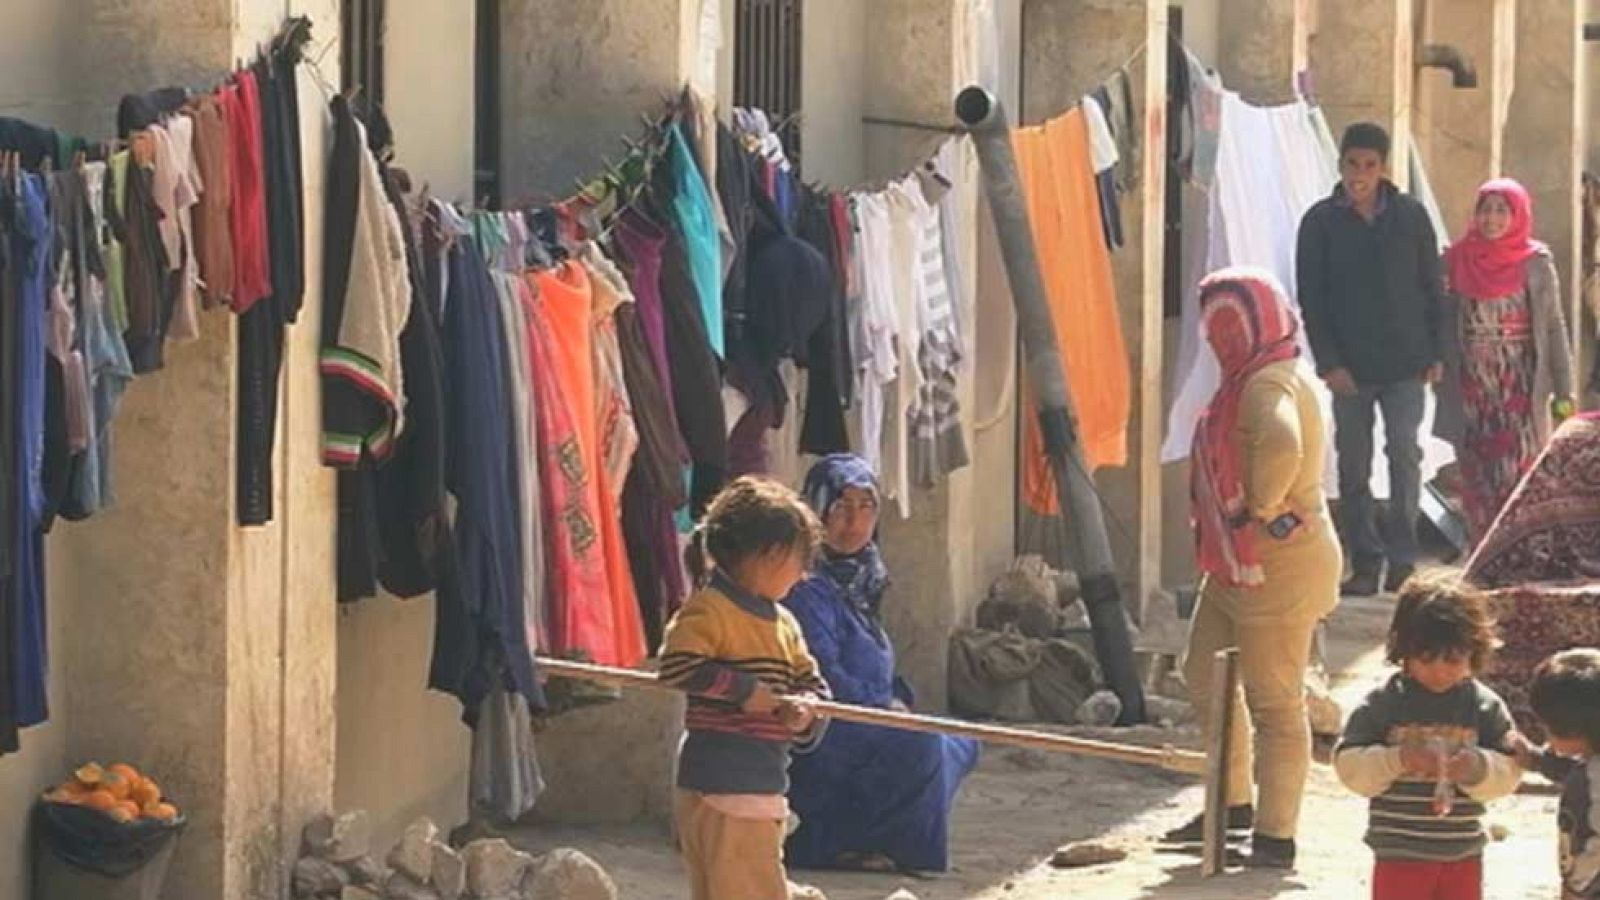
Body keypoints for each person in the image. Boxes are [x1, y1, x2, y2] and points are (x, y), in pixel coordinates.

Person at [1170, 268, 1342, 869]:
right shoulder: (1262, 373)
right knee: (1202, 672)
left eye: (1226, 328)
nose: (1217, 341)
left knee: (1274, 700)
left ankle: (1274, 836)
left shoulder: (1267, 386)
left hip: (1279, 568)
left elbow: (1281, 443)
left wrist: (1257, 506)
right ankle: (1231, 803)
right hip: (1234, 566)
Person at [783, 454, 979, 873]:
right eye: (840, 508)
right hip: (828, 729)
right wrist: (883, 708)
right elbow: (824, 674)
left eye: (865, 508)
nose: (853, 524)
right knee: (921, 744)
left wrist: (896, 698)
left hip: (869, 719)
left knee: (961, 741)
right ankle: (828, 840)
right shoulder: (805, 588)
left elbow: (879, 663)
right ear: (816, 511)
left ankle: (874, 837)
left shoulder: (863, 579)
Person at [658, 476, 831, 900]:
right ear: (770, 555)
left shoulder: (784, 623)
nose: (801, 573)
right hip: (721, 784)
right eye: (797, 559)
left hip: (761, 781)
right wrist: (743, 691)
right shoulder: (710, 609)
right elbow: (677, 665)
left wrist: (805, 709)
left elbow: (812, 683)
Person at [1298, 122, 1446, 596]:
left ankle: (1403, 560)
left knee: (1404, 456)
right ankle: (1365, 561)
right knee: (1353, 466)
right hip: (1350, 371)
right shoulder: (1319, 222)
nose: (1359, 175)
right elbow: (1312, 299)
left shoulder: (1410, 218)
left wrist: (1437, 352)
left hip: (1407, 363)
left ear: (1383, 168)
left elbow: (1434, 288)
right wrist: (1329, 363)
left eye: (1369, 165)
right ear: (1340, 165)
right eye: (1352, 164)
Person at [1335, 573, 1523, 900]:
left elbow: (1511, 769)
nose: (1439, 670)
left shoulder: (1482, 706)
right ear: (1403, 651)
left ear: (1473, 655)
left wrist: (1477, 768)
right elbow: (1349, 765)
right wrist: (1398, 759)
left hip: (1463, 853)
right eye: (1426, 659)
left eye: (1452, 660)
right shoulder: (1385, 702)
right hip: (1399, 853)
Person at [1437, 178, 1575, 542]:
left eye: (1502, 210)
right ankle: (1482, 556)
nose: (1492, 219)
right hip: (1472, 389)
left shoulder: (1536, 263)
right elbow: (1438, 319)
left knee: (1520, 473)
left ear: (1518, 216)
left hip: (1520, 389)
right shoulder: (1454, 259)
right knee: (1478, 476)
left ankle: (1520, 553)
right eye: (1486, 209)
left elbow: (1553, 327)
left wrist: (1565, 390)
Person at [1513, 649, 1600, 898]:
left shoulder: (1588, 780)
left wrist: (1575, 887)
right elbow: (1574, 772)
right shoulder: (1587, 770)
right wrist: (1536, 760)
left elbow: (1595, 847)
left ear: (1570, 728)